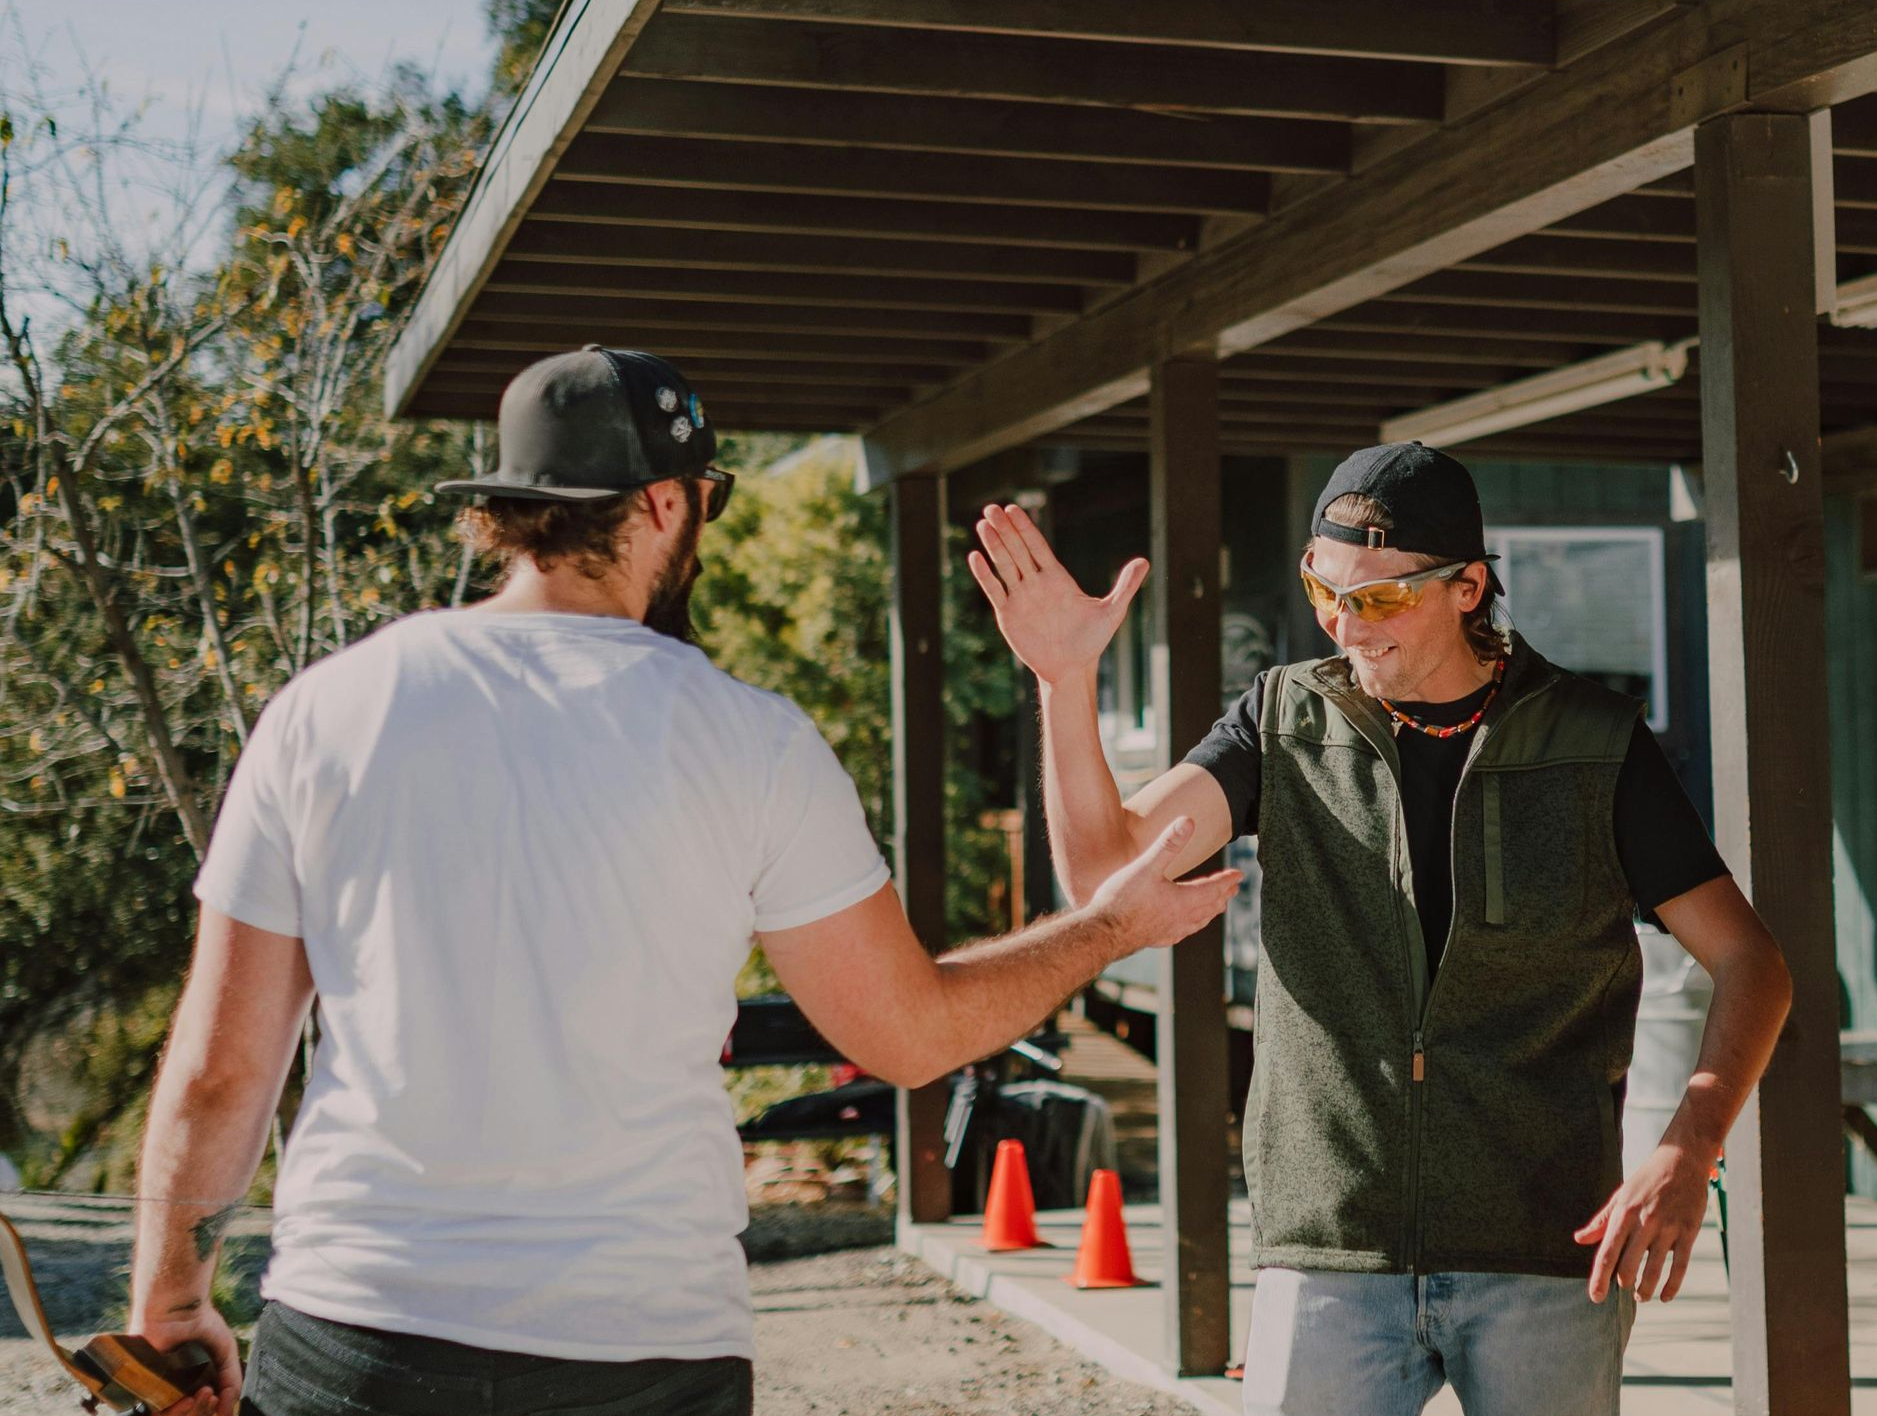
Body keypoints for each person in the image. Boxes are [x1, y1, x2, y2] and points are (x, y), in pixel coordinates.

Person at [124, 346, 1242, 1416]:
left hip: (358, 1334)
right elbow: (910, 1035)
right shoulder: (748, 742)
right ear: (663, 505)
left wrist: (169, 1302)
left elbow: (223, 1072)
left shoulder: (328, 710)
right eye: (709, 493)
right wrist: (1103, 930)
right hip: (642, 1351)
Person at [966, 442, 1795, 1416]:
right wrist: (1066, 687)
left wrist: (1690, 1146)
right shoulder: (1279, 724)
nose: (1344, 621)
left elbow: (1752, 963)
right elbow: (1107, 868)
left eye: (1381, 598)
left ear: (1468, 587)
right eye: (1326, 590)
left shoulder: (1592, 740)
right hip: (1328, 1250)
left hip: (1544, 1241)